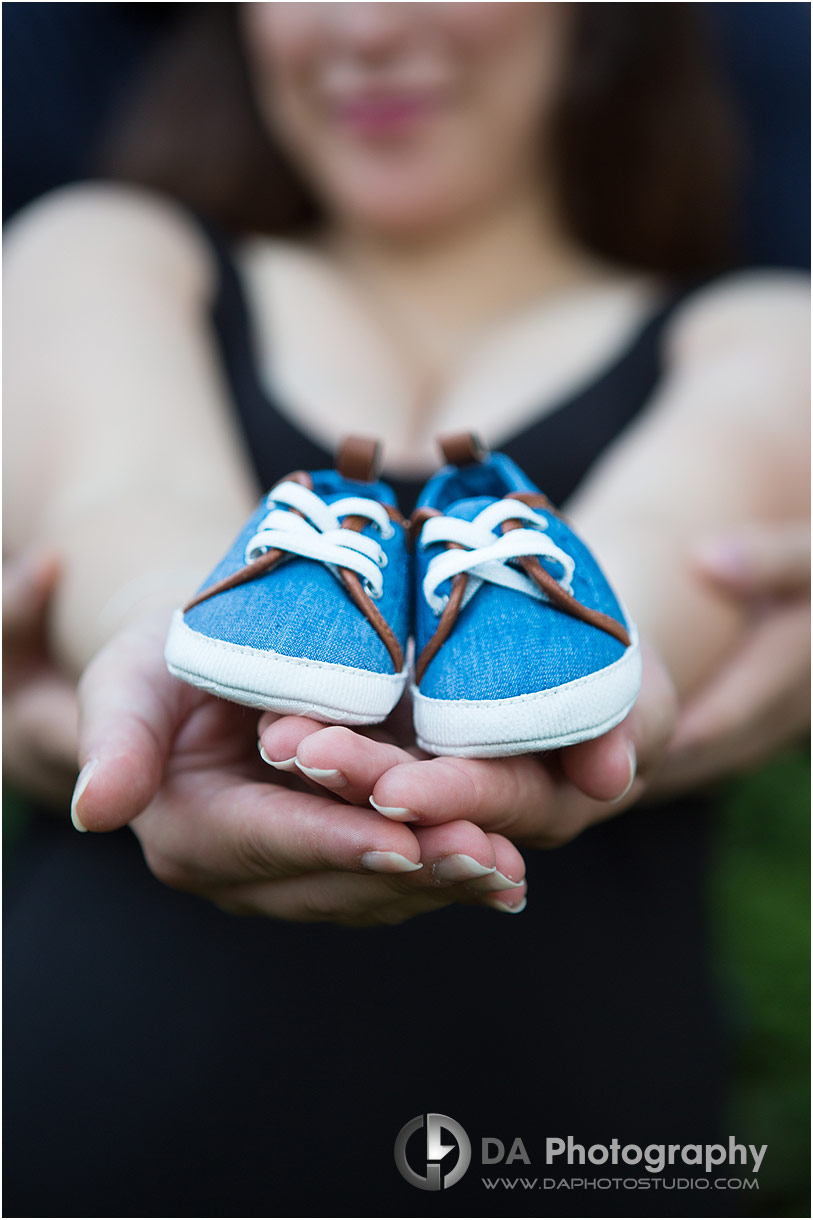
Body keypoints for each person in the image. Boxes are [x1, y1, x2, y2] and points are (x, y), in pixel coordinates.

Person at [4, 5, 809, 1216]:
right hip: (100, 1126)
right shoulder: (107, 246)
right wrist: (152, 627)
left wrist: (611, 669)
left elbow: (673, 539)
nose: (368, 25)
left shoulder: (763, 324)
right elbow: (129, 494)